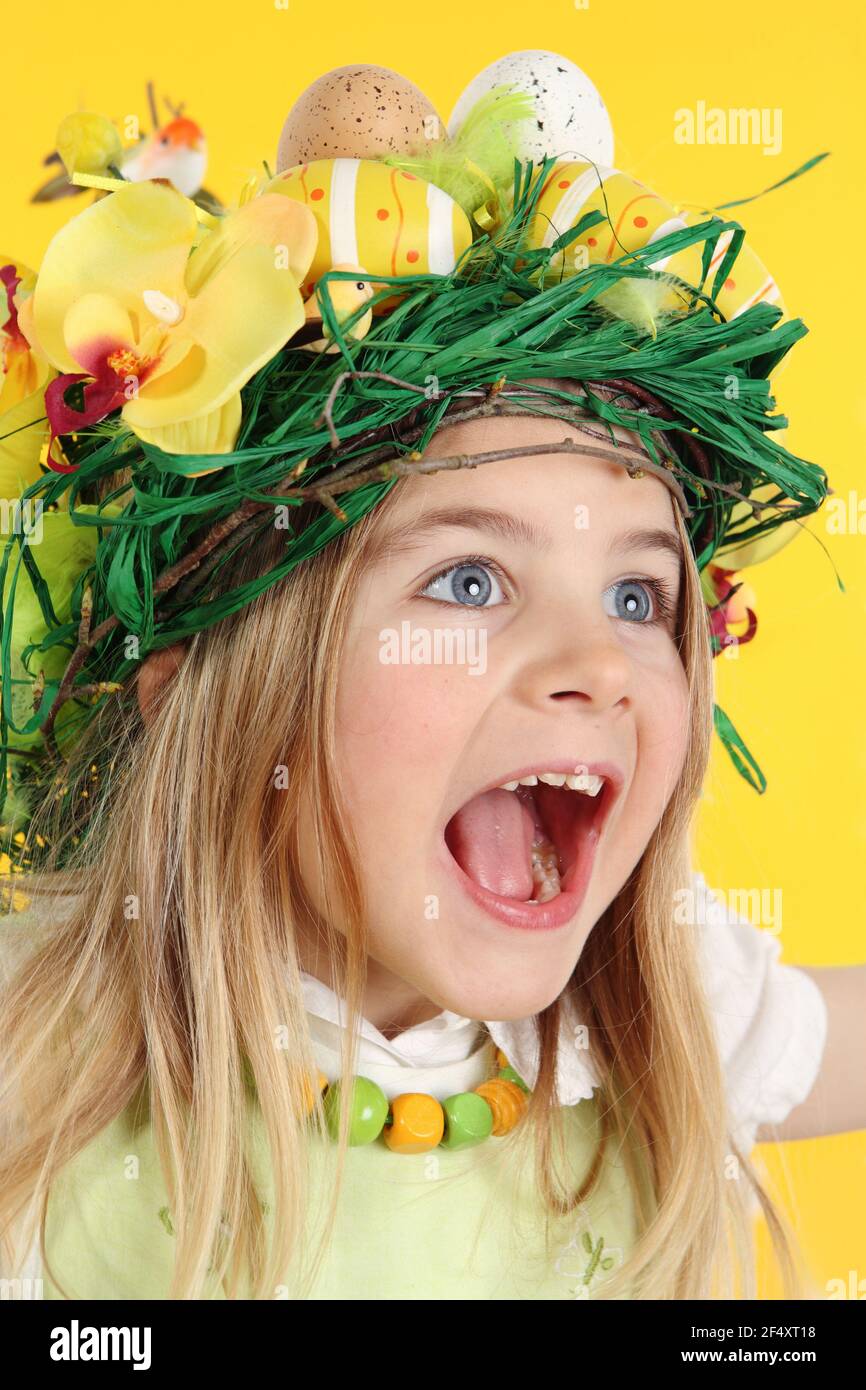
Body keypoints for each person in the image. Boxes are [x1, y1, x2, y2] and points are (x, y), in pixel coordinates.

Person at [0, 61, 862, 1300]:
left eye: (637, 597)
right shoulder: (41, 1066)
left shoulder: (658, 1011)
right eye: (467, 581)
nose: (594, 666)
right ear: (201, 697)